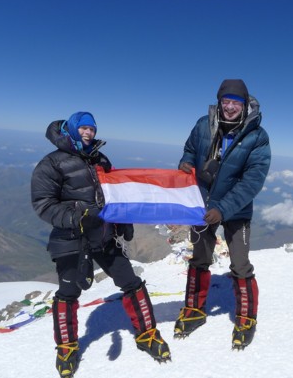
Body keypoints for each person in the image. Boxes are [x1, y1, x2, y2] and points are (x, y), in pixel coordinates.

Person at [31, 112, 171, 377]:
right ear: (72, 129)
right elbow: (43, 204)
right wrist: (78, 218)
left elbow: (114, 196)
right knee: (68, 293)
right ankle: (67, 347)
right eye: (83, 128)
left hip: (105, 237)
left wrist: (123, 221)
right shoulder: (51, 164)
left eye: (92, 129)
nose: (88, 133)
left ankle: (147, 333)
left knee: (132, 283)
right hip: (71, 239)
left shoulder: (100, 159)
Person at [175, 79, 271, 350]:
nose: (229, 107)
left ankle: (246, 317)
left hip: (236, 211)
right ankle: (194, 309)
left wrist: (223, 209)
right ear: (219, 102)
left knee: (240, 264)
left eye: (235, 103)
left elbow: (252, 180)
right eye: (225, 102)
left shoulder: (257, 136)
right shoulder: (203, 125)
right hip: (203, 206)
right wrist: (185, 163)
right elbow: (191, 150)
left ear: (244, 105)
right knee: (200, 258)